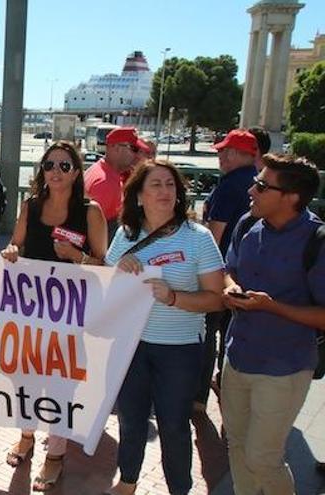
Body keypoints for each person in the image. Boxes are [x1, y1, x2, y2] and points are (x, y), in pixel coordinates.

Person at [104, 160, 225, 495]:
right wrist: (118, 273)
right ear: (139, 196)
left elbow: (216, 299)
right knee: (130, 420)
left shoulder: (198, 238)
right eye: (155, 185)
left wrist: (173, 297)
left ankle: (179, 489)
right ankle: (127, 481)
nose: (165, 191)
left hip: (180, 349)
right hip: (131, 346)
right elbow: (106, 289)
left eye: (170, 185)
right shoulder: (125, 235)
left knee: (174, 425)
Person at [0, 141, 108, 490]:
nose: (55, 172)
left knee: (60, 385)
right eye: (49, 165)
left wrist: (76, 256)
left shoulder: (90, 211)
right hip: (28, 311)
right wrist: (12, 251)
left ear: (77, 172)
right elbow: (15, 245)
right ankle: (28, 435)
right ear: (42, 171)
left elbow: (103, 266)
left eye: (64, 166)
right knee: (24, 379)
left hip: (71, 317)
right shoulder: (30, 206)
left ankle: (55, 456)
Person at [220, 154, 324, 495]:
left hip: (285, 368)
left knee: (263, 458)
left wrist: (272, 307)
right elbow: (228, 270)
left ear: (291, 197)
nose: (252, 189)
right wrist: (230, 287)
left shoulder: (317, 241)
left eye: (262, 185)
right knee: (236, 445)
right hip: (237, 359)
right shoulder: (247, 224)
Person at [197, 129, 259, 411]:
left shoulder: (229, 185)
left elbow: (214, 234)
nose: (220, 156)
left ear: (236, 154)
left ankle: (198, 397)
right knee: (231, 335)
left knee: (207, 332)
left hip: (221, 273)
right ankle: (231, 391)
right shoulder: (258, 183)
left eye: (224, 151)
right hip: (249, 275)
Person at [84, 127, 145, 238]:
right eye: (134, 149)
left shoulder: (101, 170)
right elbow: (90, 231)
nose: (137, 155)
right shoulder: (105, 183)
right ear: (116, 148)